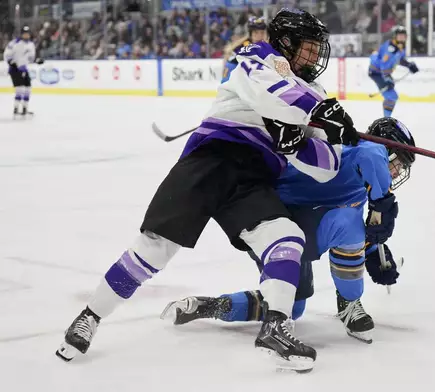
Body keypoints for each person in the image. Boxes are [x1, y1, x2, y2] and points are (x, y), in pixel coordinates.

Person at [55, 8, 359, 373]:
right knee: (154, 249)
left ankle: (276, 326)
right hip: (212, 159)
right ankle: (90, 316)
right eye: (309, 48)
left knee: (286, 237)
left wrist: (298, 144)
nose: (315, 56)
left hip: (253, 178)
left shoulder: (315, 91)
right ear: (287, 43)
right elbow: (274, 95)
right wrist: (319, 112)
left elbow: (327, 166)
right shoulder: (259, 56)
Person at [160, 117, 415, 345]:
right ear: (385, 149)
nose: (397, 171)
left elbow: (354, 230)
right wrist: (383, 202)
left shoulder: (362, 183)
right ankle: (349, 304)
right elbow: (371, 157)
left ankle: (210, 306)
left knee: (292, 307)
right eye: (397, 162)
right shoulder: (359, 151)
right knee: (348, 223)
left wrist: (374, 250)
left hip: (290, 228)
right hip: (274, 224)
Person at [368, 26, 419, 117]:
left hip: (380, 73)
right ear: (395, 36)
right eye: (400, 35)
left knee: (392, 96)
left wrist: (409, 65)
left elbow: (399, 60)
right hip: (376, 73)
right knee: (391, 96)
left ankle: (387, 119)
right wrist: (387, 77)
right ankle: (386, 120)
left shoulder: (399, 47)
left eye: (403, 35)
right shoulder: (390, 48)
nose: (402, 37)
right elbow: (383, 64)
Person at [3, 26, 43, 117]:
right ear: (21, 34)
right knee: (20, 88)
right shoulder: (14, 43)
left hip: (24, 68)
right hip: (15, 69)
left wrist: (37, 61)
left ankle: (25, 108)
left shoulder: (31, 45)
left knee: (28, 88)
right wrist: (10, 62)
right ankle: (16, 108)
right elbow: (7, 54)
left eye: (27, 33)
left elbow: (30, 59)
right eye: (24, 33)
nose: (26, 35)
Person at [221, 17, 268, 83]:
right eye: (256, 32)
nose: (259, 36)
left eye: (262, 33)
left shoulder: (265, 46)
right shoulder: (244, 46)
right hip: (233, 75)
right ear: (250, 34)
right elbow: (228, 60)